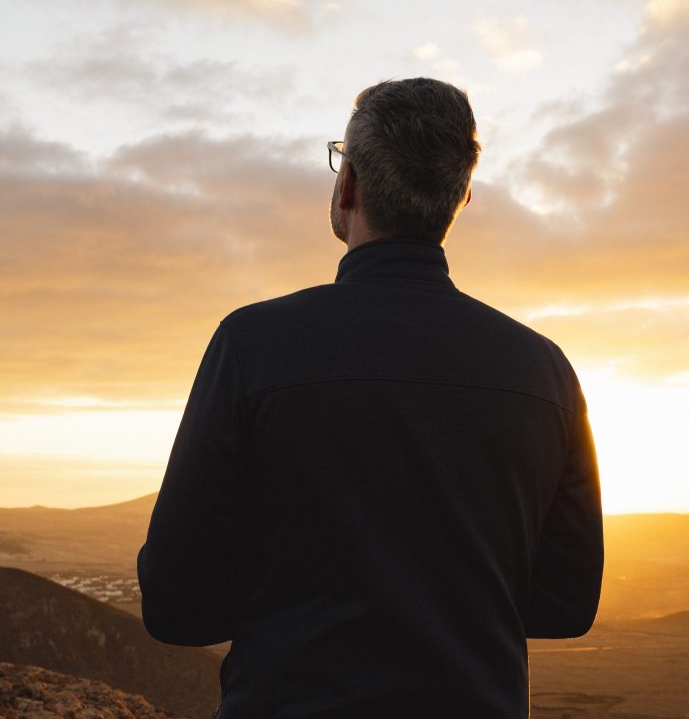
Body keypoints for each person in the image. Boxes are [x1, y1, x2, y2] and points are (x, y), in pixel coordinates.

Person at [138, 77, 603, 719]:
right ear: (460, 197)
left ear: (348, 184)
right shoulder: (544, 371)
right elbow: (566, 607)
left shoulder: (253, 345)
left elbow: (174, 606)